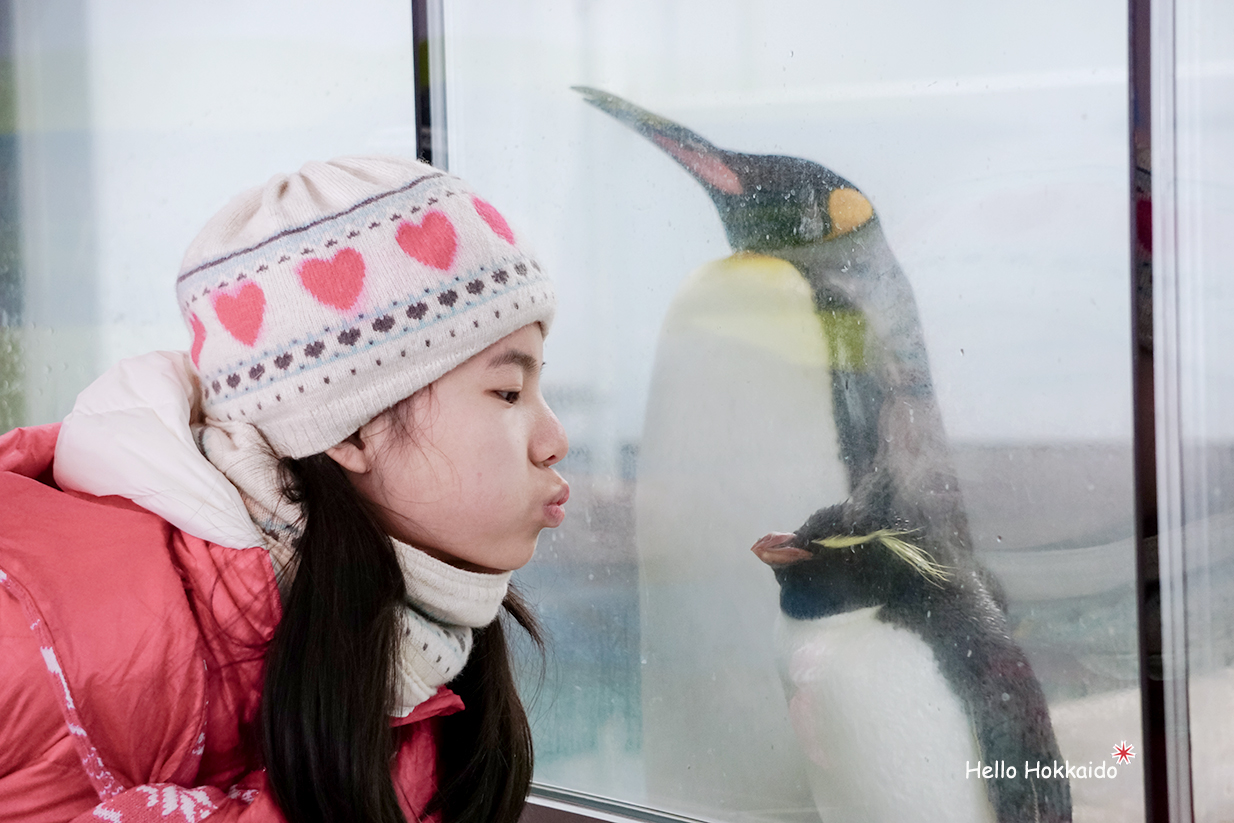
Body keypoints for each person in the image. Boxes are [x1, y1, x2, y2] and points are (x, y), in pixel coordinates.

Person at [0, 156, 569, 823]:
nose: (553, 438)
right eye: (507, 391)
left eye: (539, 387)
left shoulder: (412, 638)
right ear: (349, 431)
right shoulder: (55, 640)